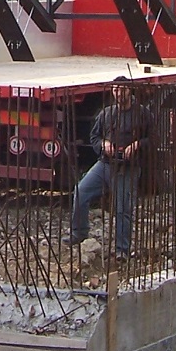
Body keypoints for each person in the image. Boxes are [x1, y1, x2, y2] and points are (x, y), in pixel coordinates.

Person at [67, 77, 150, 257]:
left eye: (122, 90)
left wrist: (137, 145)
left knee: (122, 208)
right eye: (115, 91)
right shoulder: (106, 114)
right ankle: (78, 233)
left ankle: (122, 250)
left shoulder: (142, 114)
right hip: (105, 164)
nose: (118, 94)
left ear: (130, 91)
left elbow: (153, 139)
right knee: (80, 192)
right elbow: (94, 137)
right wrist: (103, 144)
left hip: (127, 168)